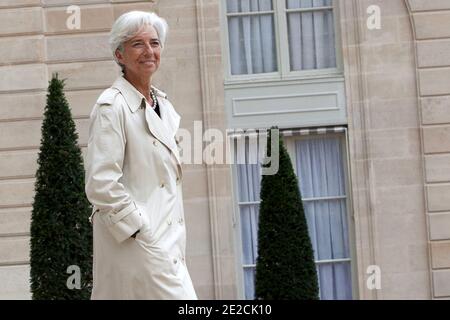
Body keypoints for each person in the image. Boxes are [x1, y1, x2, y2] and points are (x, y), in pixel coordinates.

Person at [84, 10, 197, 300]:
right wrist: (141, 233)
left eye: (155, 43)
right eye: (138, 44)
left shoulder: (164, 106)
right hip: (140, 246)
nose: (149, 51)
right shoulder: (112, 107)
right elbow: (101, 185)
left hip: (170, 245)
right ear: (120, 55)